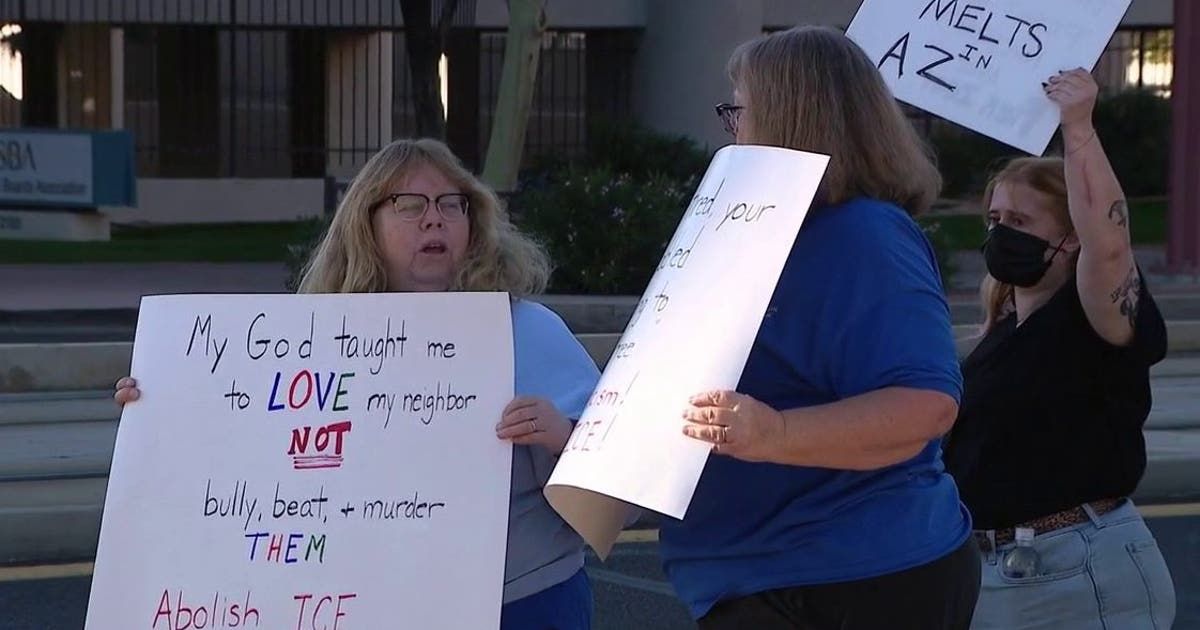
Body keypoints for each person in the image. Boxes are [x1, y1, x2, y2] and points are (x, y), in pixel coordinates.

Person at [114, 138, 601, 630]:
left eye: (451, 204)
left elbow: (614, 488)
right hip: (366, 604)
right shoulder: (312, 342)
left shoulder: (531, 331)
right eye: (409, 205)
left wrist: (564, 436)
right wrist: (158, 406)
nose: (434, 219)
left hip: (520, 604)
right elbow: (244, 459)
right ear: (366, 224)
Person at [668, 26, 980, 629]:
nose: (732, 131)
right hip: (771, 576)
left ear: (792, 118)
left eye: (741, 111)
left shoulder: (865, 236)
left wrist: (774, 433)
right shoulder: (766, 236)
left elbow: (924, 407)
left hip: (851, 580)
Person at [942, 69, 1176, 629]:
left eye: (1020, 221)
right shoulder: (1001, 333)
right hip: (997, 573)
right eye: (995, 219)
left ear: (1070, 239)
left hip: (1076, 573)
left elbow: (1111, 240)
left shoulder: (1091, 315)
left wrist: (1078, 128)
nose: (1000, 233)